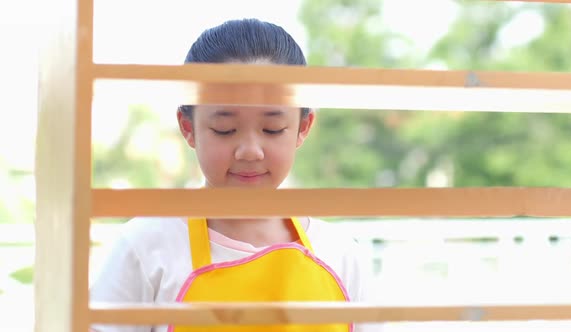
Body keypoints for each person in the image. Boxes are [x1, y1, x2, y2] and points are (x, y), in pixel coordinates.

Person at [90, 18, 382, 332]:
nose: (250, 151)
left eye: (272, 129)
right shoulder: (145, 246)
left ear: (303, 127)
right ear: (188, 128)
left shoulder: (341, 255)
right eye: (225, 129)